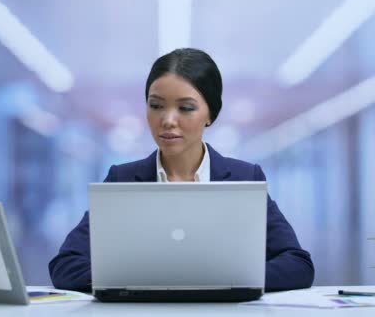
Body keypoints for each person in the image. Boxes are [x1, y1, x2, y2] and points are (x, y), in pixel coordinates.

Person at [49, 48, 314, 292]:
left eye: (185, 108)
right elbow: (65, 264)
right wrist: (127, 281)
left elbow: (298, 264)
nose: (167, 120)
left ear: (210, 114)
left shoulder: (246, 178)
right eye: (156, 106)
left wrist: (229, 280)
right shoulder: (122, 180)